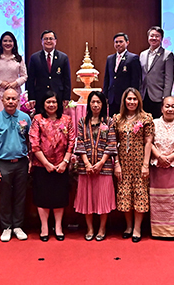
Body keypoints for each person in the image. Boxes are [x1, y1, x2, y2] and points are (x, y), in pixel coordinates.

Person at [28, 90, 76, 241]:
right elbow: (34, 144)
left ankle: (59, 226)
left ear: (58, 103)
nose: (51, 105)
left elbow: (71, 143)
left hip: (61, 166)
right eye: (48, 102)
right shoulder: (37, 119)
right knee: (42, 197)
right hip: (42, 166)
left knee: (59, 197)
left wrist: (65, 162)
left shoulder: (67, 120)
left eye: (54, 102)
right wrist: (46, 164)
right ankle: (44, 227)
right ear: (43, 104)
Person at [0, 88, 33, 242]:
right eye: (8, 99)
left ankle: (18, 226)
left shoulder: (25, 118)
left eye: (14, 98)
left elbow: (30, 141)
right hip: (3, 163)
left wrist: (31, 160)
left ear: (19, 100)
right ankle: (6, 227)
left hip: (21, 162)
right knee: (5, 196)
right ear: (2, 100)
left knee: (20, 196)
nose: (11, 101)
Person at [74, 91, 117, 242]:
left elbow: (111, 144)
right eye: (93, 102)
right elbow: (79, 143)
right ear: (89, 104)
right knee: (87, 199)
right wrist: (86, 163)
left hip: (103, 168)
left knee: (102, 199)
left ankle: (102, 228)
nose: (95, 105)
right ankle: (90, 228)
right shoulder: (81, 122)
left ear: (103, 104)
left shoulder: (109, 122)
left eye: (98, 102)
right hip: (86, 168)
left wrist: (100, 163)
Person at [113, 88, 153, 243]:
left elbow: (148, 142)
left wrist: (145, 165)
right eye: (129, 99)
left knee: (139, 194)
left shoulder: (146, 118)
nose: (131, 102)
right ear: (124, 101)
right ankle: (128, 227)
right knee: (125, 195)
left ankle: (137, 228)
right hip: (123, 163)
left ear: (139, 101)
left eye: (134, 99)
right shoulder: (117, 119)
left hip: (139, 162)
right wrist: (117, 164)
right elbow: (113, 143)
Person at [149, 96, 174, 240]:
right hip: (157, 166)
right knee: (157, 199)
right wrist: (159, 156)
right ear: (162, 108)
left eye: (173, 106)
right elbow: (149, 143)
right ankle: (158, 231)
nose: (170, 109)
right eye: (167, 106)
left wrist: (171, 157)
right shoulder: (154, 123)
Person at [26, 30, 71, 114]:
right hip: (40, 96)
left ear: (55, 41)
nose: (48, 41)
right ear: (42, 42)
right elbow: (31, 79)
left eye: (51, 38)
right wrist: (31, 97)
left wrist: (66, 97)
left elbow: (67, 79)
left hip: (58, 96)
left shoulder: (63, 57)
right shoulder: (35, 58)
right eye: (45, 39)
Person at [0, 31, 28, 117]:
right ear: (1, 43)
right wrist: (0, 83)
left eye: (10, 41)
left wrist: (15, 83)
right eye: (5, 41)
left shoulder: (18, 58)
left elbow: (24, 76)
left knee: (14, 118)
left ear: (14, 43)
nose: (7, 43)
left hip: (14, 93)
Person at [103, 33, 143, 116]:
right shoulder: (110, 58)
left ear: (127, 43)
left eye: (121, 42)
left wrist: (133, 97)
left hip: (125, 98)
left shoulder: (133, 58)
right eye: (116, 42)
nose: (118, 44)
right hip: (112, 98)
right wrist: (105, 95)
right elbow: (107, 78)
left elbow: (135, 80)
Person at [140, 27, 174, 118]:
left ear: (161, 39)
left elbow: (169, 78)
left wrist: (166, 98)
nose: (154, 38)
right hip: (144, 95)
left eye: (157, 36)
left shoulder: (167, 54)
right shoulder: (143, 54)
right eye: (152, 36)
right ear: (148, 37)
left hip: (158, 96)